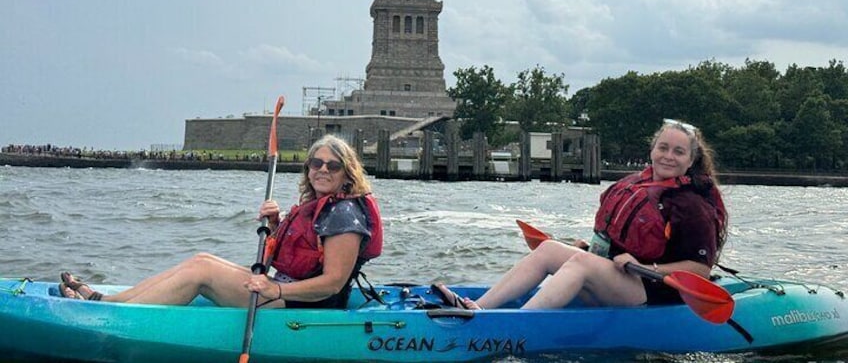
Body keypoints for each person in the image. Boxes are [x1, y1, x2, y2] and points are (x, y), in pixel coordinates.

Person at [59, 135, 383, 309]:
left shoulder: (344, 214)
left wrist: (276, 287)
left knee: (203, 273)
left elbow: (333, 283)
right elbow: (279, 259)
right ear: (308, 168)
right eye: (316, 163)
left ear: (347, 173)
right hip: (282, 290)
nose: (322, 170)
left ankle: (111, 314)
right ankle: (107, 301)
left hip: (302, 305)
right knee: (201, 259)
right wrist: (274, 228)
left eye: (333, 165)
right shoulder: (315, 207)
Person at [434, 119, 728, 310]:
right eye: (663, 147)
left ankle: (515, 324)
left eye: (678, 152)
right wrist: (589, 248)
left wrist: (647, 266)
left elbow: (700, 269)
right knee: (550, 249)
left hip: (655, 292)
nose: (668, 156)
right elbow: (618, 241)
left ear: (691, 161)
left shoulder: (693, 205)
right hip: (621, 277)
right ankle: (478, 308)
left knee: (581, 266)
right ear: (652, 150)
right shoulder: (638, 185)